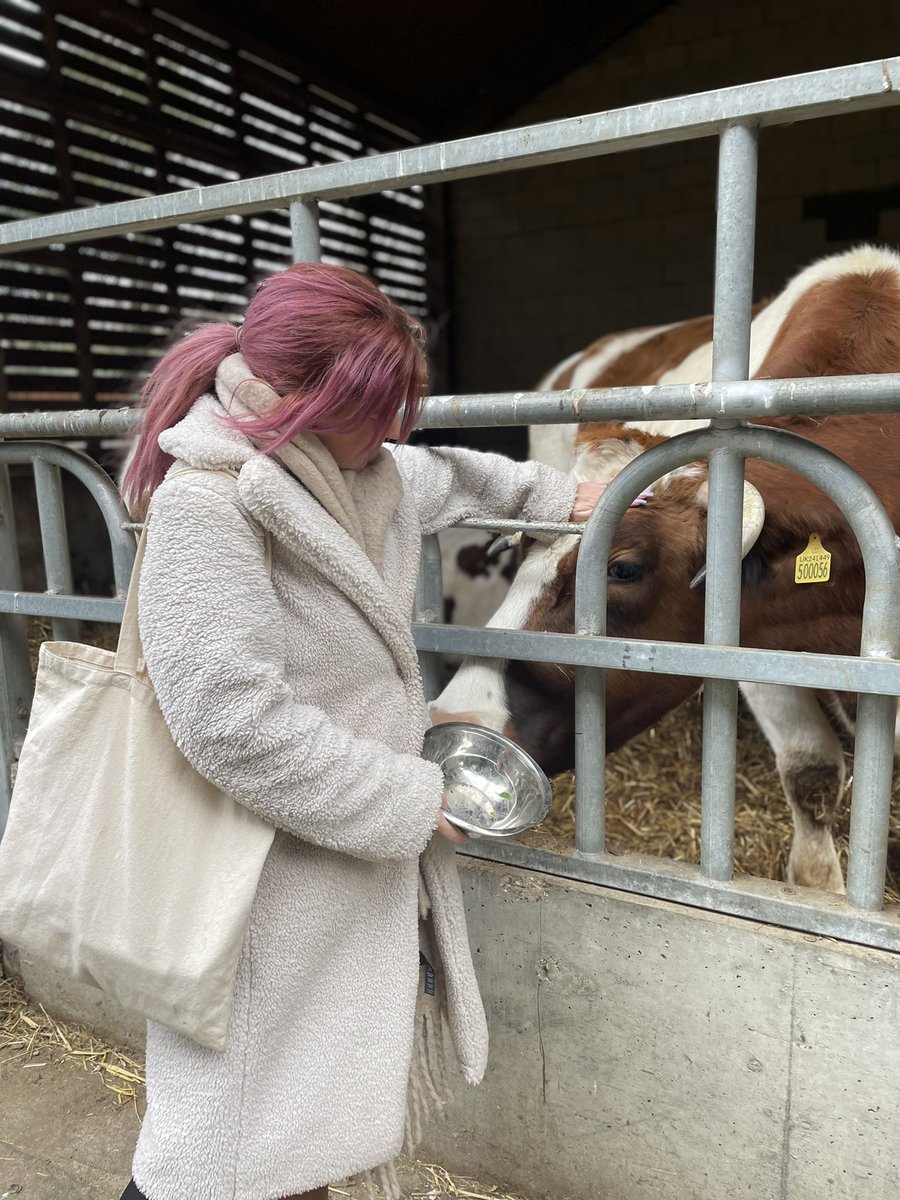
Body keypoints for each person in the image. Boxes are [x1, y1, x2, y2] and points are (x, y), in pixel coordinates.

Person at [119, 261, 603, 1200]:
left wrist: (561, 499)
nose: (397, 428)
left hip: (332, 863)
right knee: (215, 1152)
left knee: (294, 1137)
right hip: (258, 875)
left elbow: (451, 472)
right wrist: (406, 797)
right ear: (299, 398)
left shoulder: (364, 470)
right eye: (378, 405)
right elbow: (228, 722)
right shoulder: (207, 508)